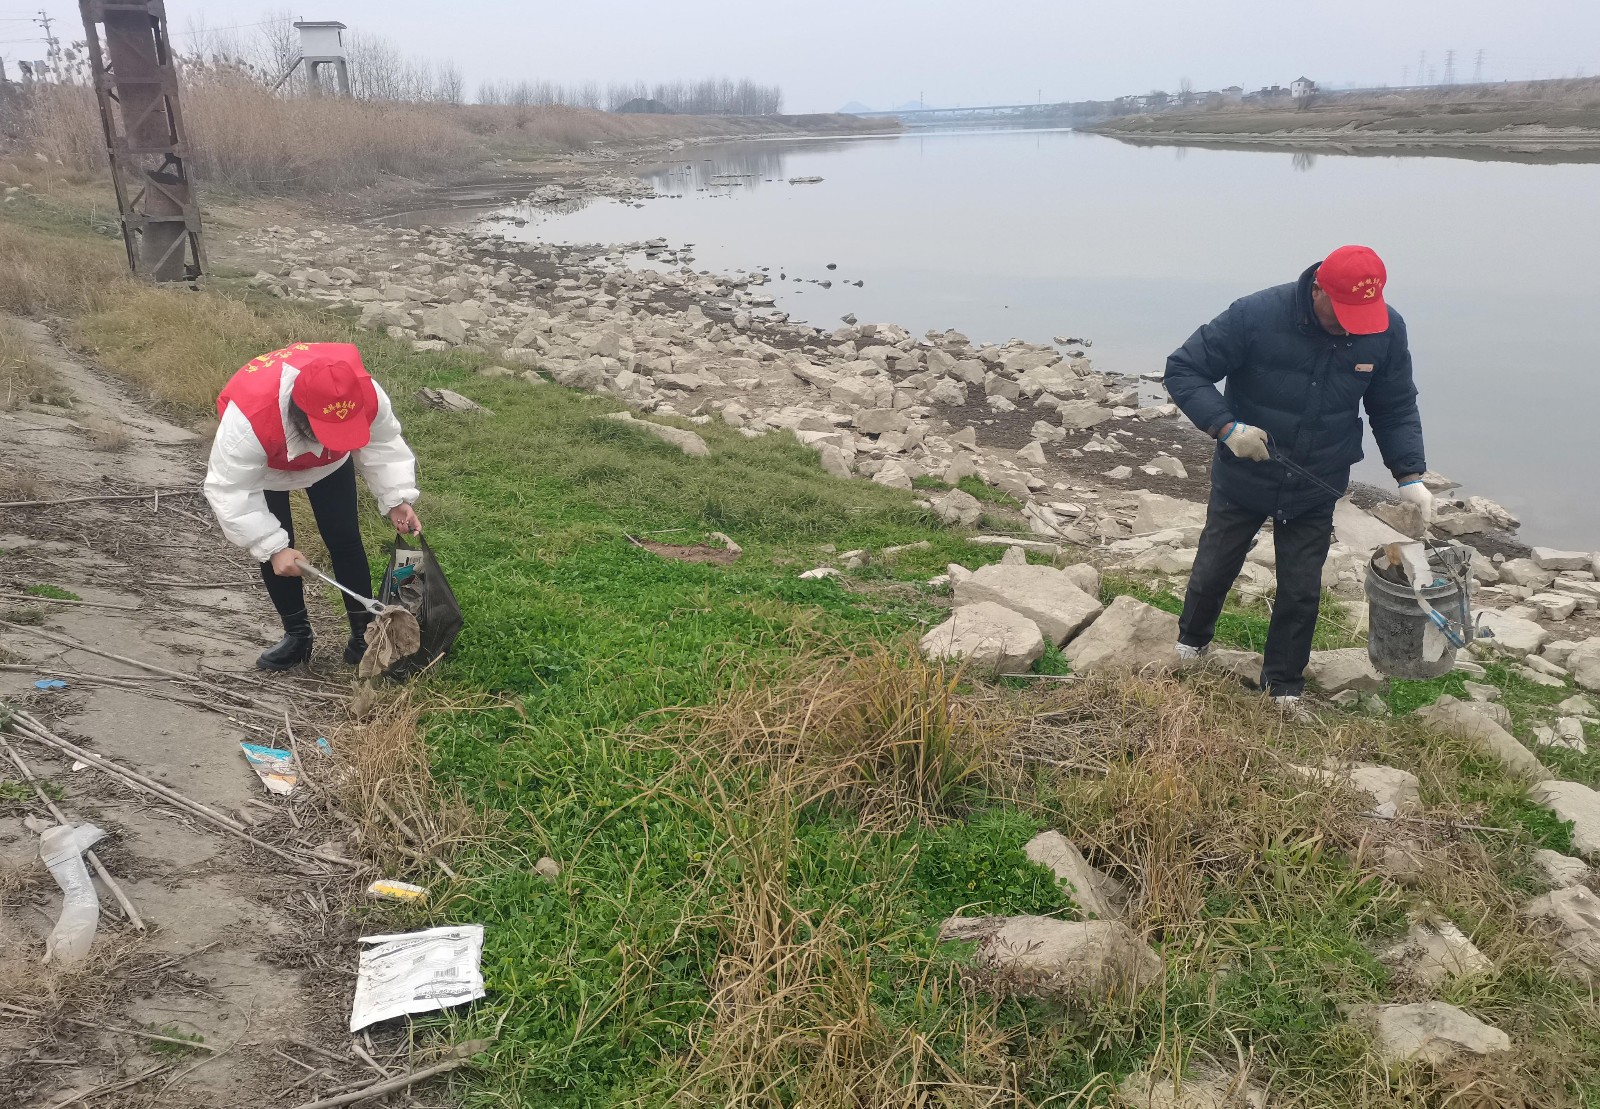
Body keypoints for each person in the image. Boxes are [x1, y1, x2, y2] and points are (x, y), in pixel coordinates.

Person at [1164, 245, 1429, 715]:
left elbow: (1394, 405)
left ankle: (1283, 687)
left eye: (1360, 316)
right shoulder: (1256, 314)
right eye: (1343, 312)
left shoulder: (1384, 328)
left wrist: (1409, 475)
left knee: (1302, 588)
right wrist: (1227, 428)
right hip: (1247, 467)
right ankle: (1191, 645)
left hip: (1319, 479)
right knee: (1215, 566)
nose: (1351, 326)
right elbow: (1184, 369)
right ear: (1318, 289)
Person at [204, 342, 421, 671]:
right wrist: (272, 547)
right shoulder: (250, 420)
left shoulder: (364, 393)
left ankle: (363, 638)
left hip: (332, 467)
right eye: (325, 431)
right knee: (281, 547)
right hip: (270, 468)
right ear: (298, 412)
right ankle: (297, 636)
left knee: (344, 538)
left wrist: (396, 498)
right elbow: (230, 488)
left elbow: (383, 441)